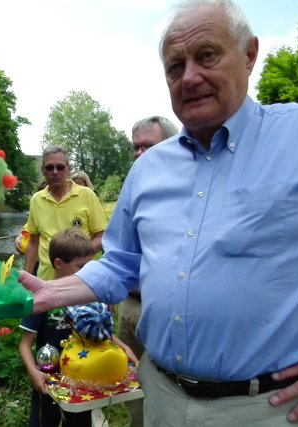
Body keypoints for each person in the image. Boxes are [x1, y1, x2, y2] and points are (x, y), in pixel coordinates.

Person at [19, 1, 298, 426]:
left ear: (249, 54)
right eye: (176, 67)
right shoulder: (148, 169)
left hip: (272, 409)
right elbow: (122, 263)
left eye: (207, 56)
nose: (191, 77)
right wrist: (50, 294)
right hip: (162, 397)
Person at [18, 229, 137, 427]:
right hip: (48, 381)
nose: (87, 273)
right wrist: (33, 371)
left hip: (81, 382)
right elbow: (24, 344)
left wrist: (123, 346)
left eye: (91, 267)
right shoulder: (41, 299)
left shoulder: (90, 299)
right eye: (81, 266)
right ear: (58, 263)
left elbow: (99, 334)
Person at [119, 115, 178, 427]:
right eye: (136, 147)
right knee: (130, 380)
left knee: (164, 385)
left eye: (148, 146)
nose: (140, 153)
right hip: (129, 303)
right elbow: (118, 253)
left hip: (161, 308)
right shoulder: (134, 191)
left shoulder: (186, 191)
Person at [23, 146, 106, 280]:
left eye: (60, 167)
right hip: (46, 280)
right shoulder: (36, 200)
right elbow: (33, 242)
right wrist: (26, 277)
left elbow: (101, 236)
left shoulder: (87, 195)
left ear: (68, 169)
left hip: (81, 279)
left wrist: (77, 257)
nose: (55, 172)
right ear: (43, 170)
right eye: (50, 167)